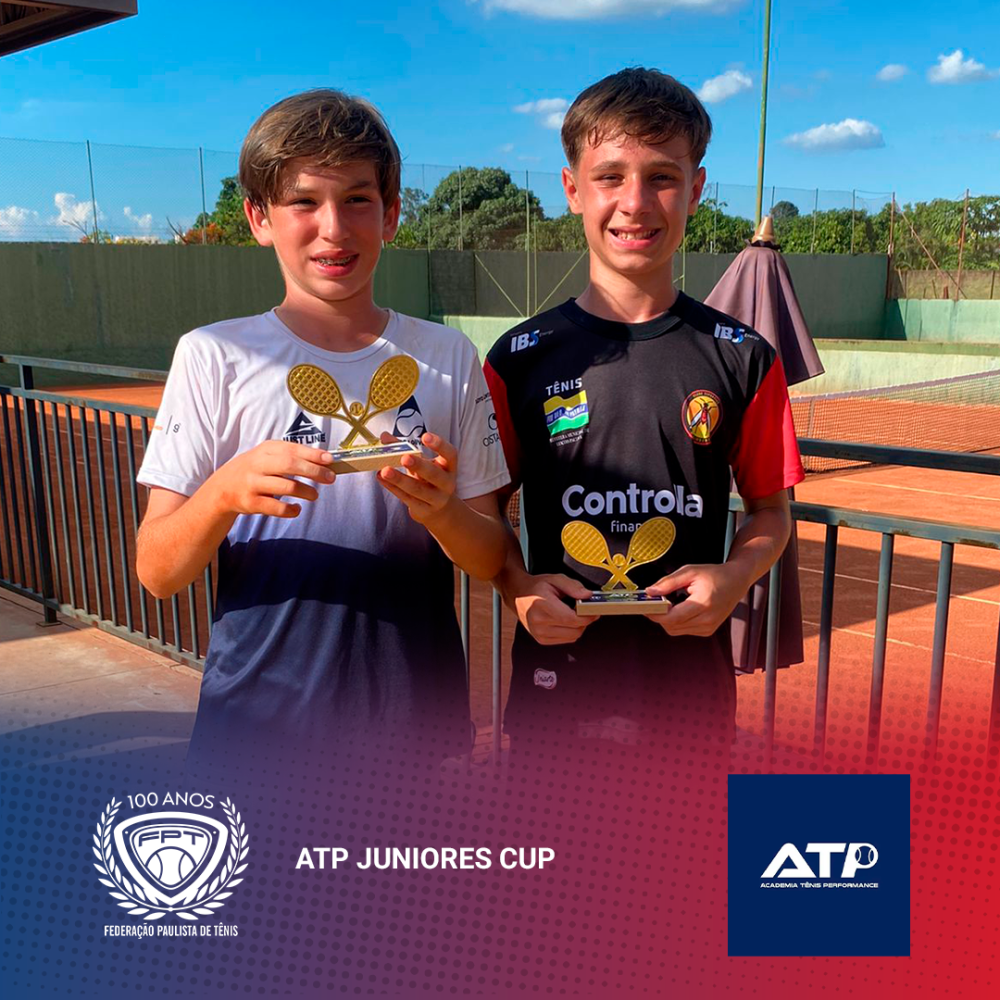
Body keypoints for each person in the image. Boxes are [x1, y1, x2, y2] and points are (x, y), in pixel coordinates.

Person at [135, 89, 509, 773]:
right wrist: (222, 494)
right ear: (260, 218)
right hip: (255, 737)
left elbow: (489, 557)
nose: (333, 228)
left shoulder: (448, 355)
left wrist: (442, 512)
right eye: (303, 201)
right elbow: (157, 572)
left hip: (418, 735)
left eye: (357, 199)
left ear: (391, 214)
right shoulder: (213, 355)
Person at [484, 68, 804, 764]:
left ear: (696, 188)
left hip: (689, 706)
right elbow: (486, 514)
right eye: (610, 177)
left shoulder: (745, 356)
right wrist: (519, 587)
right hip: (555, 702)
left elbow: (771, 515)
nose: (634, 202)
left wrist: (733, 577)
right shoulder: (517, 358)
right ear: (573, 189)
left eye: (662, 177)